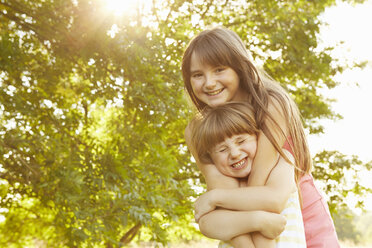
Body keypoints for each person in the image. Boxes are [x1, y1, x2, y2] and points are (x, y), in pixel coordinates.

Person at [182, 27, 340, 247]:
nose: (208, 82)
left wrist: (218, 201)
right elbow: (226, 196)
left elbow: (262, 192)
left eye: (219, 69)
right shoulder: (197, 130)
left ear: (238, 66)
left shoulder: (271, 104)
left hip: (300, 215)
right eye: (198, 75)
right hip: (244, 226)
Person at [189, 102, 306, 248]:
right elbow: (207, 225)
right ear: (211, 158)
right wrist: (258, 221)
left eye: (241, 141)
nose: (235, 153)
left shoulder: (281, 161)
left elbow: (273, 200)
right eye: (222, 150)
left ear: (258, 137)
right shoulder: (225, 182)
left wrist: (215, 197)